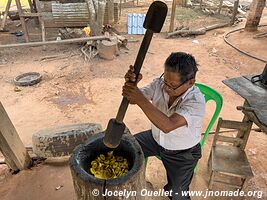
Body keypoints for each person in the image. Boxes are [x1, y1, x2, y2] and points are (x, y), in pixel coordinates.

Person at [122, 52, 205, 200]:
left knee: (177, 193)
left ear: (191, 82)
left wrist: (139, 98)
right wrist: (132, 87)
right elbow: (136, 98)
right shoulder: (159, 84)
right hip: (155, 139)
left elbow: (168, 125)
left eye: (172, 85)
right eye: (165, 80)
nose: (166, 87)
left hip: (182, 152)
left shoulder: (196, 102)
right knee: (126, 148)